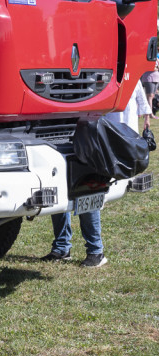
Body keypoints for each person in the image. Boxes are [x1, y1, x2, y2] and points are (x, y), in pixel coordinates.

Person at [41, 80, 152, 267]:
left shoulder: (95, 79)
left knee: (87, 193)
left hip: (90, 140)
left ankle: (96, 251)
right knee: (59, 193)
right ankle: (61, 247)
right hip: (60, 137)